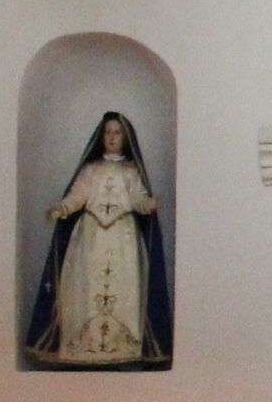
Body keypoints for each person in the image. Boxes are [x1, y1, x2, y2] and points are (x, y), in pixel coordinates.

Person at [27, 112, 172, 368]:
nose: (112, 137)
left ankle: (121, 348)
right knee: (86, 287)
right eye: (108, 132)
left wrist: (146, 204)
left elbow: (137, 198)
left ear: (125, 138)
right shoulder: (90, 170)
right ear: (101, 136)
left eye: (117, 133)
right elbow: (77, 197)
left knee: (123, 289)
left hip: (123, 240)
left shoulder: (131, 171)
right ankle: (82, 348)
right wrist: (61, 208)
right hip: (90, 240)